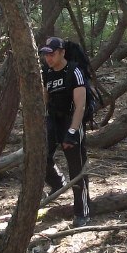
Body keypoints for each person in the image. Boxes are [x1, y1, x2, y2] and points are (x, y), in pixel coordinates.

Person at [38, 36, 91, 222]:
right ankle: (57, 182)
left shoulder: (74, 71)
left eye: (52, 54)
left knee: (76, 168)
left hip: (72, 120)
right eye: (46, 55)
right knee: (41, 157)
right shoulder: (47, 71)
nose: (48, 58)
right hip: (53, 119)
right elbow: (45, 97)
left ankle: (82, 213)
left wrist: (72, 132)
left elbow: (80, 106)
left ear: (62, 53)